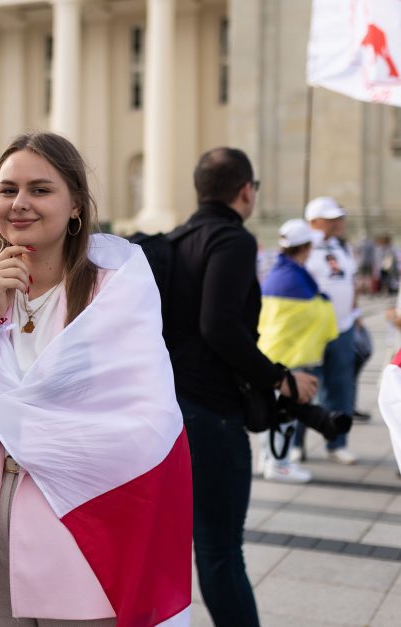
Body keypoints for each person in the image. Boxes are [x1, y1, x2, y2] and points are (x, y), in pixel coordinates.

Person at [0, 132, 192, 627]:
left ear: (75, 204)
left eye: (40, 189)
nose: (20, 204)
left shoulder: (115, 294)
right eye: (7, 189)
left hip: (78, 529)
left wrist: (16, 427)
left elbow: (145, 425)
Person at [165, 147, 317, 627]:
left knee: (204, 545)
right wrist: (281, 378)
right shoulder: (232, 240)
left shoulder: (173, 240)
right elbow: (220, 326)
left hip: (172, 409)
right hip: (213, 413)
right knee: (221, 550)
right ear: (246, 190)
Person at [257, 219, 338, 483]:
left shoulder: (279, 272)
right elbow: (317, 315)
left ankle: (269, 458)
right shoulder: (293, 278)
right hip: (289, 356)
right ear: (305, 248)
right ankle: (280, 464)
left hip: (272, 352)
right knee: (285, 412)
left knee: (274, 409)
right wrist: (324, 304)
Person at [293, 196, 359, 464]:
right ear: (315, 221)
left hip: (342, 327)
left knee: (342, 386)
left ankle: (337, 441)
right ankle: (296, 442)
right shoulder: (304, 246)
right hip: (312, 331)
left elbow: (350, 279)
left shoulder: (342, 246)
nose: (339, 222)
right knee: (304, 386)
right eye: (332, 219)